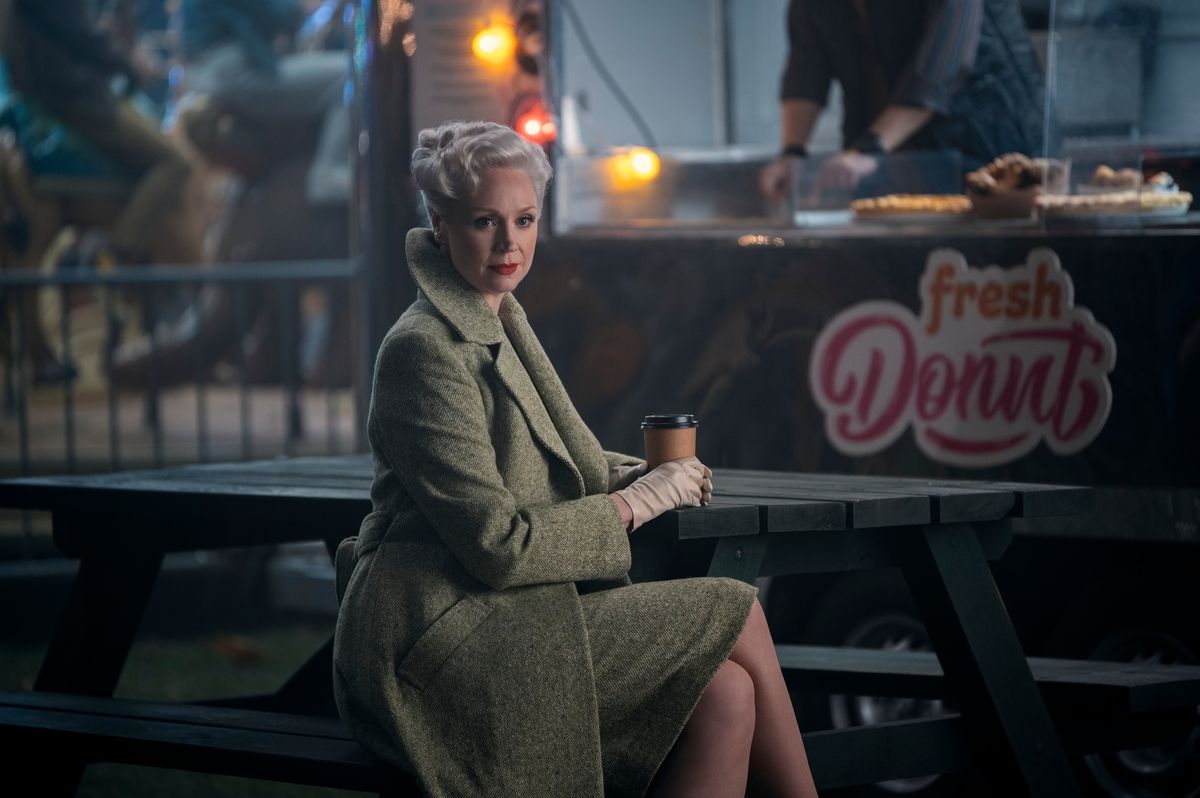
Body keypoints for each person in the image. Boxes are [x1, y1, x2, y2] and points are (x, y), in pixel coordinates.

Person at [332, 120, 820, 798]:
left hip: (511, 613)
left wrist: (634, 475)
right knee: (736, 608)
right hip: (439, 643)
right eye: (485, 221)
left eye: (525, 219)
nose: (509, 243)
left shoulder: (499, 315)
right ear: (440, 225)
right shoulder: (424, 349)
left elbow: (548, 464)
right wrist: (637, 501)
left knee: (728, 695)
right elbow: (500, 544)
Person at [760, 0, 1048, 201]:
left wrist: (868, 149)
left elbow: (940, 68)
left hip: (992, 156)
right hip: (891, 165)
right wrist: (793, 152)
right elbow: (806, 66)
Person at [1, 0, 200, 266]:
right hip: (73, 94)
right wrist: (128, 65)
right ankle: (116, 254)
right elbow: (81, 34)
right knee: (174, 162)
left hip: (66, 88)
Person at [179, 0, 350, 205]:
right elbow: (276, 14)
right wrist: (308, 5)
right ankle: (330, 173)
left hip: (209, 74)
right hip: (232, 72)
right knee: (348, 73)